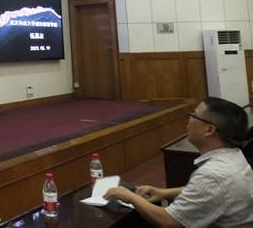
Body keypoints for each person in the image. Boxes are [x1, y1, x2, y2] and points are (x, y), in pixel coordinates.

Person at [105, 97, 253, 227]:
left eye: (193, 115)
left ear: (209, 130)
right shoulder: (234, 155)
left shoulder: (212, 175)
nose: (188, 120)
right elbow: (210, 193)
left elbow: (169, 222)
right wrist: (164, 192)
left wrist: (130, 197)